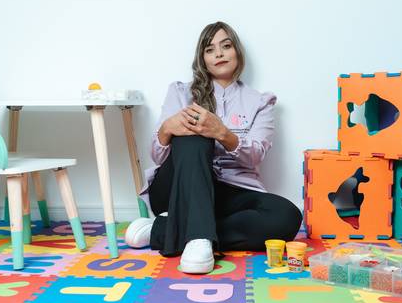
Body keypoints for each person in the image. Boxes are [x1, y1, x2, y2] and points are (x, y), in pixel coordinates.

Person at [125, 21, 302, 274]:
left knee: (287, 217)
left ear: (237, 52)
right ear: (203, 59)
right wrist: (167, 129)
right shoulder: (181, 93)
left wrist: (222, 133)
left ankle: (166, 230)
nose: (219, 54)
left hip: (231, 192)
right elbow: (157, 156)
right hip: (177, 188)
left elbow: (255, 156)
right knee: (192, 135)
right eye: (210, 49)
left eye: (226, 46)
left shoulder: (260, 102)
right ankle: (198, 238)